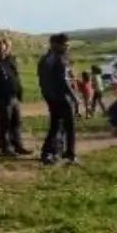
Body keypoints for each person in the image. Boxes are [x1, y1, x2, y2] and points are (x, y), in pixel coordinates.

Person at [38, 33, 78, 166]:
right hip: (61, 97)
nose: (67, 47)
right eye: (65, 45)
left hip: (53, 97)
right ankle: (70, 154)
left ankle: (49, 152)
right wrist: (74, 97)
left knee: (56, 126)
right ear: (57, 45)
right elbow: (63, 81)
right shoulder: (58, 59)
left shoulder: (48, 58)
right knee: (69, 126)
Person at [0, 40, 29, 157]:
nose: (3, 52)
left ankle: (18, 145)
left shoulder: (8, 62)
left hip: (13, 96)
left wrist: (19, 91)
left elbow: (15, 76)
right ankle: (5, 146)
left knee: (16, 121)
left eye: (4, 49)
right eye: (0, 50)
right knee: (5, 123)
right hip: (2, 98)